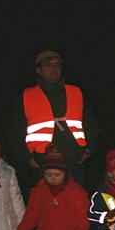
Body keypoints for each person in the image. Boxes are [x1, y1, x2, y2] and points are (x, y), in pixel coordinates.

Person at [14, 50, 98, 187]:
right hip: (42, 162)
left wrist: (89, 149)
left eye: (57, 65)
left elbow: (91, 123)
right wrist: (26, 158)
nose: (54, 69)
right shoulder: (27, 95)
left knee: (76, 204)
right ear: (39, 70)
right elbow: (16, 130)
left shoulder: (76, 92)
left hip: (73, 161)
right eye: (48, 65)